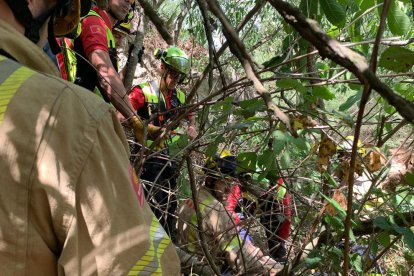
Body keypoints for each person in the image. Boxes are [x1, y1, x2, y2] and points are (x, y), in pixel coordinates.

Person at [0, 0, 180, 274]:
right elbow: (104, 72)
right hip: (75, 141)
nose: (129, 2)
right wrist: (129, 119)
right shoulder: (95, 24)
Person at [58, 0, 150, 144]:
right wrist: (133, 118)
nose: (128, 2)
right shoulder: (93, 21)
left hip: (85, 114)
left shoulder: (104, 28)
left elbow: (102, 82)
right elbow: (105, 75)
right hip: (75, 114)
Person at [128, 46, 197, 238]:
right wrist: (142, 126)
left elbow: (191, 115)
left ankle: (168, 246)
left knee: (169, 207)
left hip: (170, 162)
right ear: (162, 67)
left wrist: (192, 126)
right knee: (151, 209)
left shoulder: (181, 97)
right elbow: (120, 115)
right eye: (173, 74)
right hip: (146, 161)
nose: (175, 80)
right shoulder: (143, 91)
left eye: (179, 76)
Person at [176, 155, 282, 275]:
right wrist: (270, 271)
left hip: (188, 265)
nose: (229, 189)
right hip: (209, 268)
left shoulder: (190, 200)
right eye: (224, 182)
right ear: (210, 181)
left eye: (231, 183)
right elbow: (238, 258)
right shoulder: (216, 211)